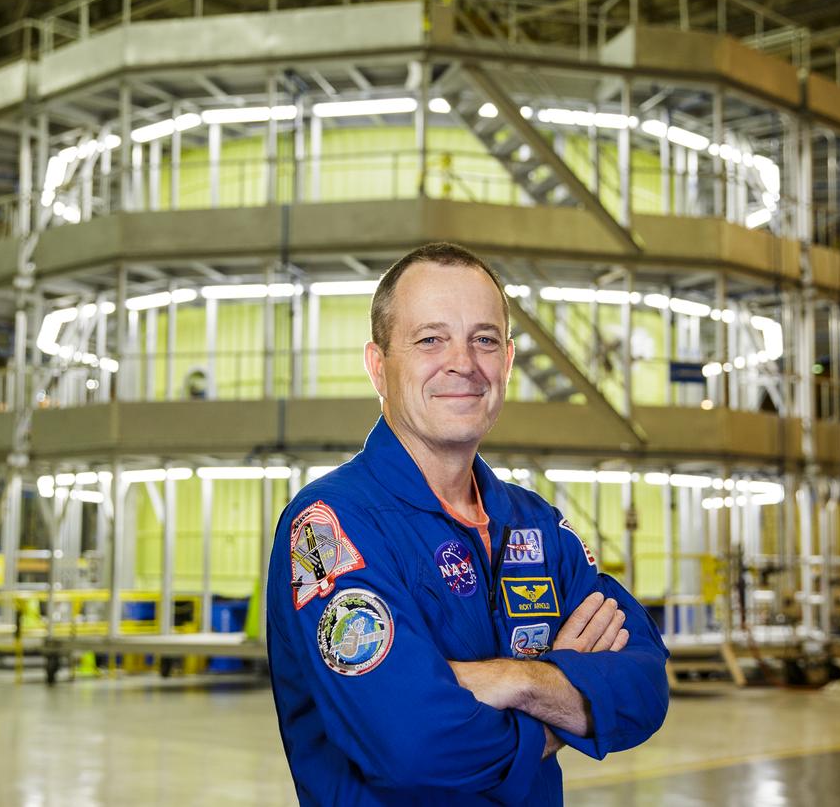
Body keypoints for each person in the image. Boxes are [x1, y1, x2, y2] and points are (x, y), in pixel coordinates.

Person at [267, 242, 669, 805]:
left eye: (483, 339)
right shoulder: (331, 525)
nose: (464, 362)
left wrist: (518, 680)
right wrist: (565, 704)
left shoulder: (537, 525)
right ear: (378, 366)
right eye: (431, 339)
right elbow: (415, 749)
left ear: (506, 362)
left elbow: (646, 687)